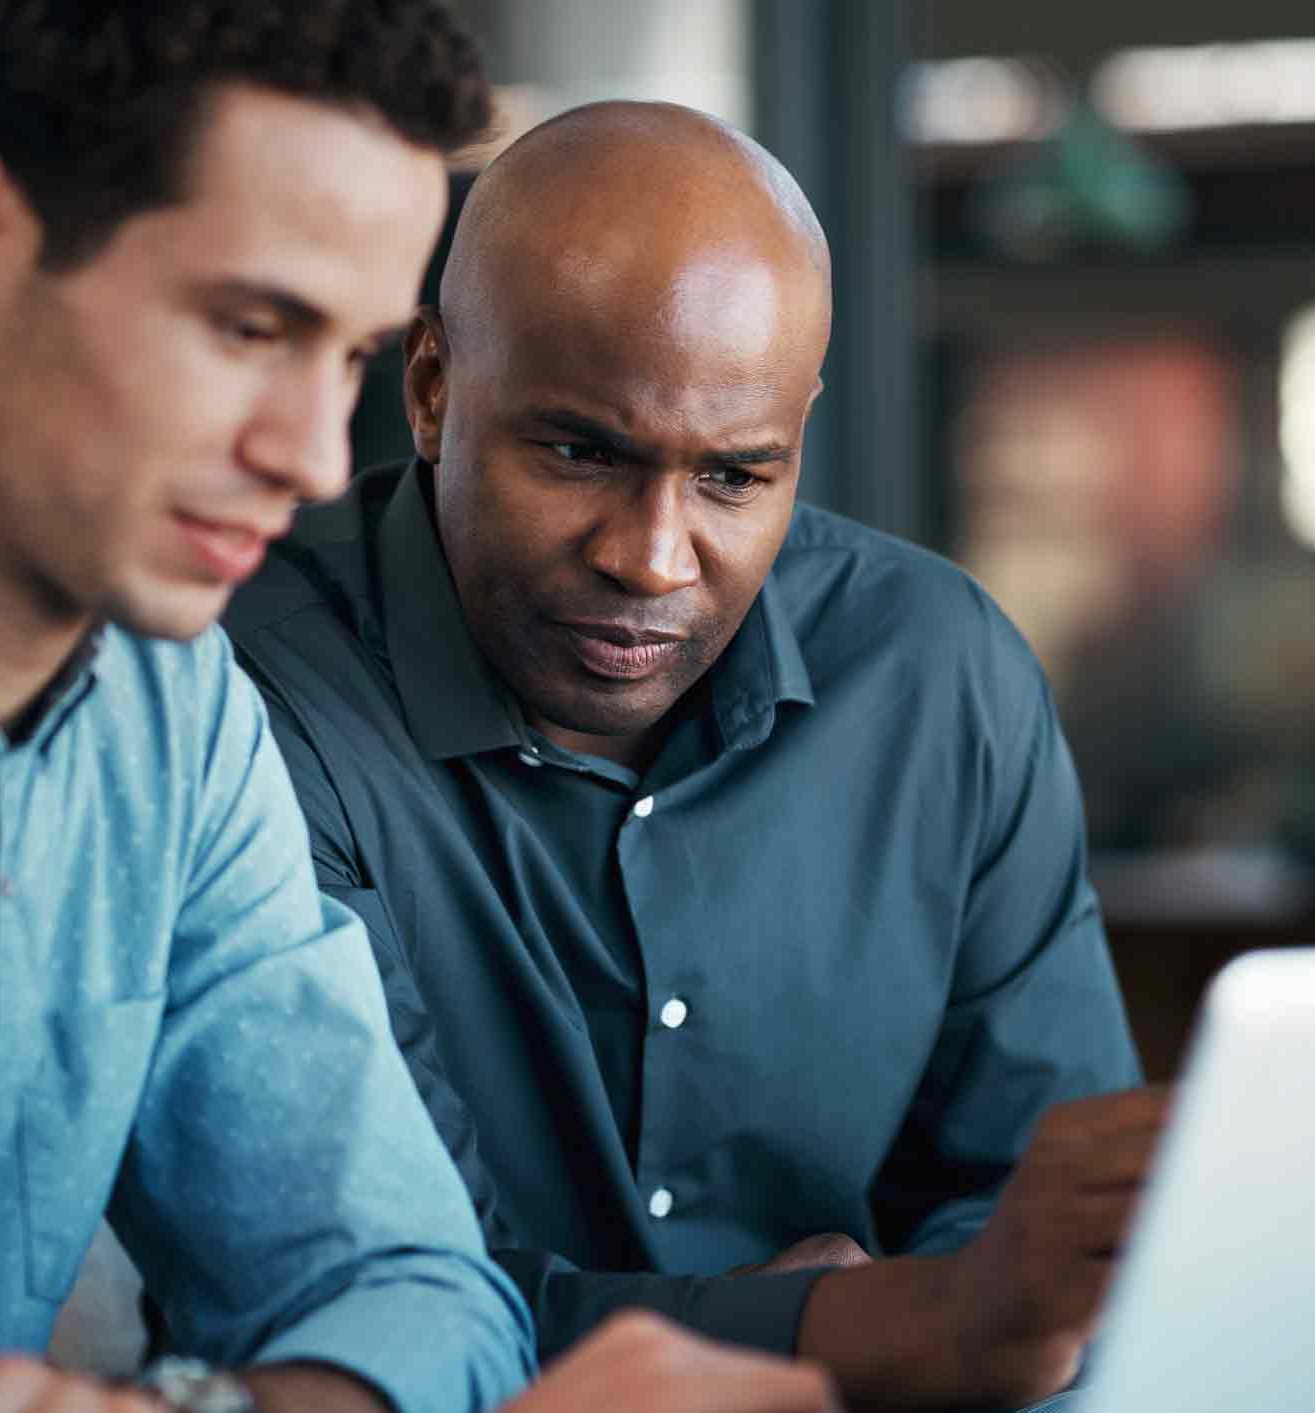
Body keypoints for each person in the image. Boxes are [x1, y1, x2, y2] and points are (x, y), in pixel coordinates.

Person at [0, 8, 837, 1412]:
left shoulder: (173, 723)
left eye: (352, 358)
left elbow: (424, 1299)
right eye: (253, 326)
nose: (312, 458)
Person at [225, 100, 1164, 1412]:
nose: (651, 558)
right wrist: (854, 1323)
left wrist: (947, 1315)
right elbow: (393, 1307)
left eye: (734, 476)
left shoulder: (937, 675)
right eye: (579, 452)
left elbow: (1046, 1252)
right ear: (432, 388)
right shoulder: (242, 709)